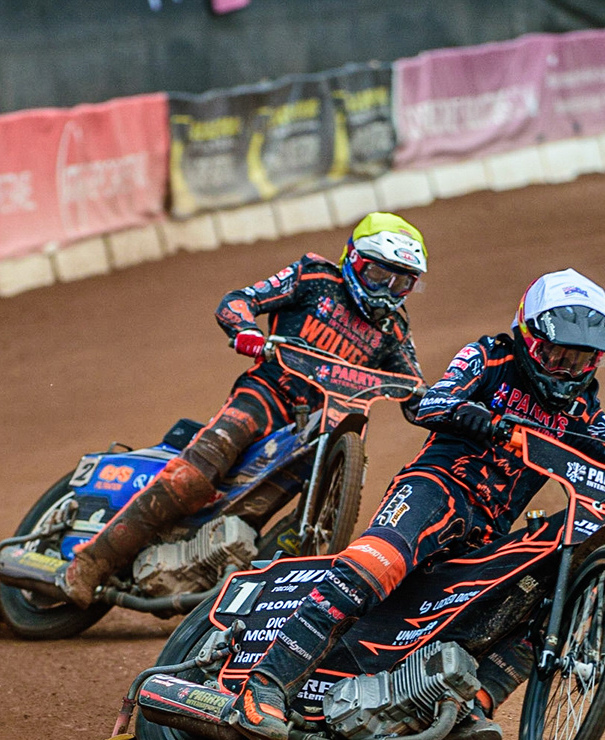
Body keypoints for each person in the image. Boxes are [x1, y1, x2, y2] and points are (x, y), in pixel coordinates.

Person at [227, 269, 605, 740]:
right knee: (375, 565)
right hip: (435, 489)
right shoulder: (489, 357)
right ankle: (264, 685)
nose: (565, 370)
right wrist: (486, 421)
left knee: (538, 592)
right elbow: (429, 403)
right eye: (556, 353)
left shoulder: (586, 413)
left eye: (581, 361)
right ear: (530, 336)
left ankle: (467, 701)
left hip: (487, 529)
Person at [56, 212, 429, 607]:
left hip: (317, 432)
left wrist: (445, 406)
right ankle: (90, 563)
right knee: (192, 479)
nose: (388, 291)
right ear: (353, 259)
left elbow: (417, 389)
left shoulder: (394, 331)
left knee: (283, 508)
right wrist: (247, 330)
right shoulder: (314, 278)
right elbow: (239, 301)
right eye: (379, 275)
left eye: (402, 281)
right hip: (266, 396)